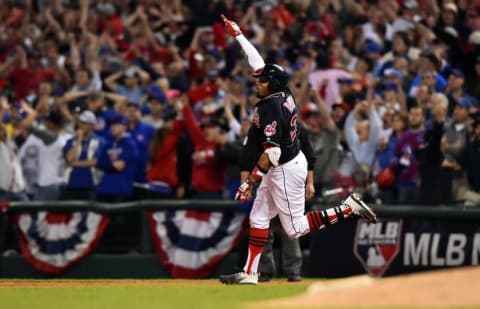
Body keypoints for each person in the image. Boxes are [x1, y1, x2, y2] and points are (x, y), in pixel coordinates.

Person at [218, 14, 377, 285]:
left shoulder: (271, 108)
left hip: (284, 169)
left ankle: (347, 208)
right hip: (284, 164)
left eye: (263, 80)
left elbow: (272, 154)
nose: (258, 81)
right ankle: (250, 273)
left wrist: (248, 183)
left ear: (273, 84)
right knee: (258, 216)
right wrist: (239, 35)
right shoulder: (281, 91)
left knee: (295, 229)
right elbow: (257, 63)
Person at [62, 110, 104, 200]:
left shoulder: (100, 141)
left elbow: (95, 161)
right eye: (80, 122)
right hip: (71, 183)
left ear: (92, 125)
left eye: (85, 123)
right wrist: (79, 140)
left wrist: (75, 163)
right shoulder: (71, 141)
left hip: (91, 184)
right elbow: (69, 158)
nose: (81, 125)